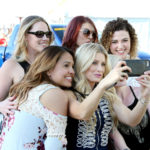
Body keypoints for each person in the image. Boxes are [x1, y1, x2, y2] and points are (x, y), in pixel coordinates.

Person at [0, 45, 132, 150]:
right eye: (66, 65)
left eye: (72, 66)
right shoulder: (54, 93)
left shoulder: (30, 88)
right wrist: (104, 84)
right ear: (49, 69)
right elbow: (55, 145)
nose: (72, 71)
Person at [65, 43, 150, 150]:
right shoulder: (69, 93)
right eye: (94, 63)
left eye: (103, 64)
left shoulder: (108, 94)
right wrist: (103, 84)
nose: (100, 69)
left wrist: (145, 97)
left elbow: (132, 120)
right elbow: (82, 113)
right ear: (82, 63)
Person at [101, 18, 150, 150]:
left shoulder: (140, 67)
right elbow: (110, 127)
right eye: (114, 42)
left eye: (125, 40)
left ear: (131, 42)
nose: (120, 46)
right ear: (107, 44)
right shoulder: (101, 74)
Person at [0, 15, 53, 117]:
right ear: (25, 36)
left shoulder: (53, 64)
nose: (45, 38)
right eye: (39, 34)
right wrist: (1, 106)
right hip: (22, 130)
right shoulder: (11, 66)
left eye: (48, 34)